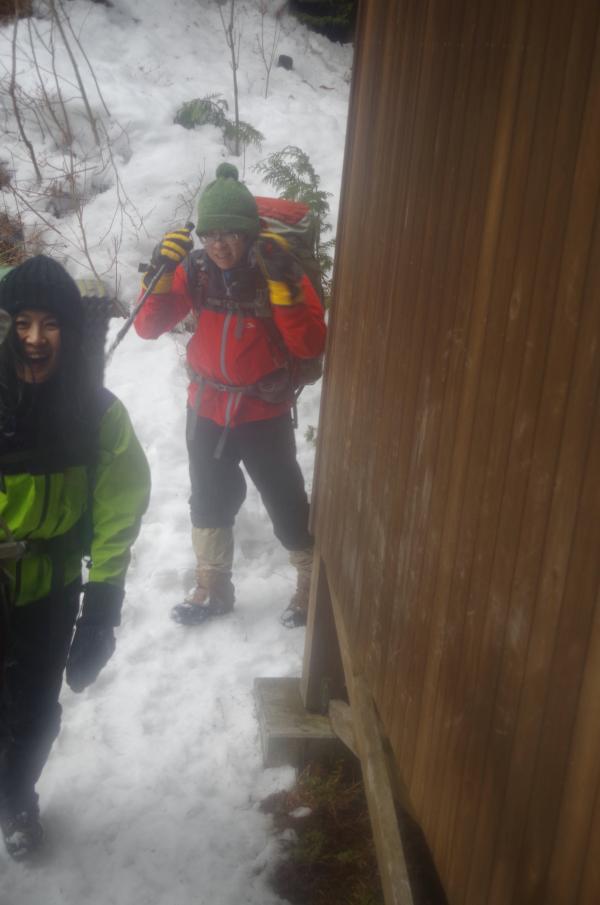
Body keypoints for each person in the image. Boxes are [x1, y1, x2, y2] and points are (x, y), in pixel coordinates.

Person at [0, 256, 150, 861]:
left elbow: (119, 508)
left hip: (51, 587)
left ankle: (16, 799)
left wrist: (103, 606)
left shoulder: (97, 412)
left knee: (35, 711)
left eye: (52, 323)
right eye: (22, 322)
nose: (35, 338)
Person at [134, 163, 326, 629]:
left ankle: (311, 581)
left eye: (230, 234)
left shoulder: (277, 268)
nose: (219, 245)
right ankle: (213, 584)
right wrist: (160, 275)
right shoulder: (197, 269)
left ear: (249, 232)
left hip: (263, 410)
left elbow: (309, 345)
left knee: (284, 499)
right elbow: (148, 326)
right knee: (208, 500)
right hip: (206, 408)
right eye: (210, 235)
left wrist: (284, 290)